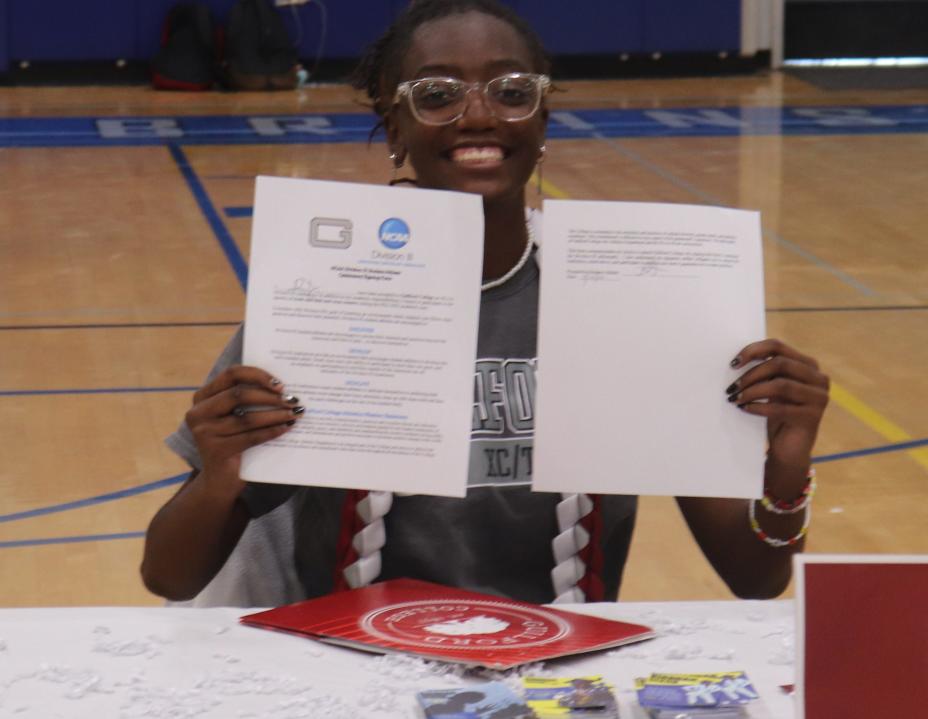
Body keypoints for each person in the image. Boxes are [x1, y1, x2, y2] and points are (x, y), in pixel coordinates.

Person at [140, 0, 830, 607]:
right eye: (437, 94)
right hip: (355, 671)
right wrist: (218, 476)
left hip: (559, 673)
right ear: (393, 125)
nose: (477, 114)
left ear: (543, 116)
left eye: (509, 89)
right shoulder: (316, 299)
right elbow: (170, 574)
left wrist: (787, 466)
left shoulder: (640, 302)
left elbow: (756, 578)